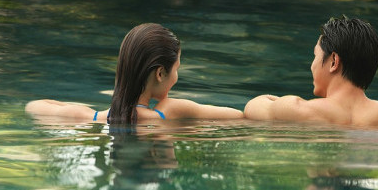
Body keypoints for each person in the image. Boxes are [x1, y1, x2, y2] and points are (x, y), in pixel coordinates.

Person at [244, 16, 378, 128]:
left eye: (315, 56)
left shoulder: (298, 110)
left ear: (333, 61)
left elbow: (253, 106)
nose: (311, 65)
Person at [25, 23, 243, 124]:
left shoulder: (88, 117)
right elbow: (241, 117)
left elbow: (33, 106)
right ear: (160, 73)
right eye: (176, 69)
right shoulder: (170, 111)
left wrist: (80, 111)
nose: (176, 77)